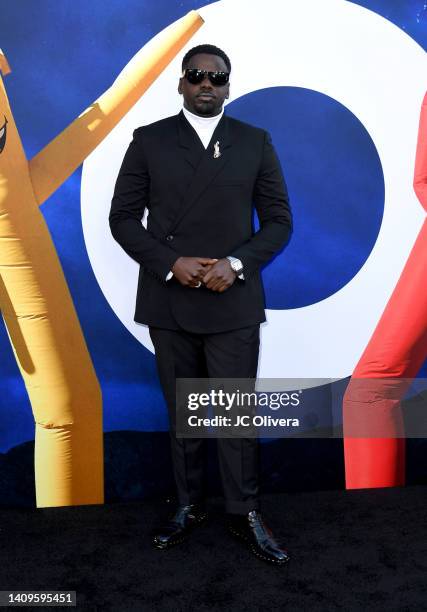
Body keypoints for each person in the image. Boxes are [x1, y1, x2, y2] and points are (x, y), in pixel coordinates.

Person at [109, 44, 293, 565]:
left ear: (229, 86)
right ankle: (189, 506)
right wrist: (171, 263)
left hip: (232, 300)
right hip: (171, 300)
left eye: (216, 77)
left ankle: (244, 512)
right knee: (184, 416)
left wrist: (234, 265)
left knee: (236, 419)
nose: (205, 83)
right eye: (195, 75)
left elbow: (279, 221)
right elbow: (122, 218)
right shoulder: (149, 141)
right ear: (181, 83)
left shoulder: (256, 142)